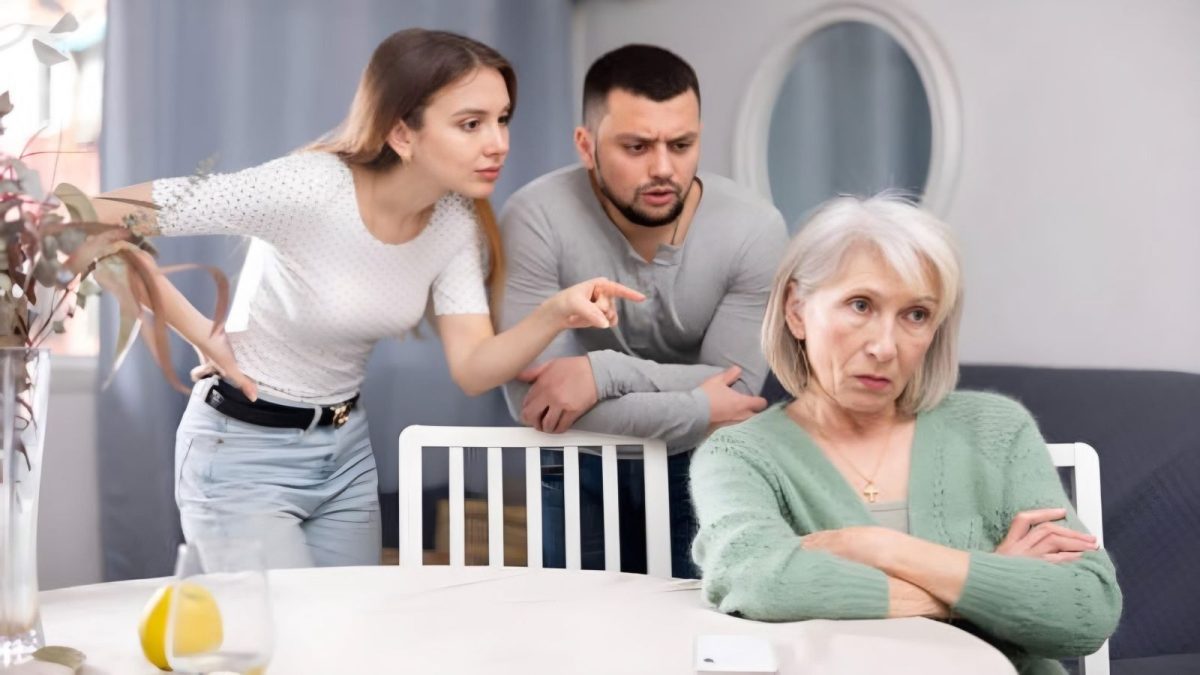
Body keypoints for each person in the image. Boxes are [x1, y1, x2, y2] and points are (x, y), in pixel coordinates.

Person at [92, 29, 641, 569]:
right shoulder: (309, 187)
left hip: (346, 455)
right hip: (242, 453)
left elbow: (474, 367)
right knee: (282, 649)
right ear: (403, 134)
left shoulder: (454, 220)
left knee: (348, 642)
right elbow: (94, 215)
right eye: (470, 124)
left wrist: (557, 312)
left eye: (502, 119)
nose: (497, 142)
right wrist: (201, 332)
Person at [690, 194, 1121, 673]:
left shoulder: (996, 428)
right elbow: (758, 581)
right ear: (796, 310)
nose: (884, 346)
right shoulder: (739, 454)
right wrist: (986, 584)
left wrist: (881, 548)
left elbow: (1087, 608)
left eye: (915, 314)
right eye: (860, 305)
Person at [499, 44, 786, 578]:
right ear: (586, 146)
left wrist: (598, 373)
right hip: (577, 461)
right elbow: (536, 404)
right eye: (636, 146)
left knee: (694, 637)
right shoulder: (534, 217)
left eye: (682, 145)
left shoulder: (754, 230)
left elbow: (739, 394)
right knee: (573, 639)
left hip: (703, 463)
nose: (663, 168)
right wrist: (699, 407)